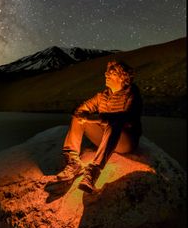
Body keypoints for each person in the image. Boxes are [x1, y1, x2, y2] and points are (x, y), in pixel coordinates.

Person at [56, 60, 143, 193]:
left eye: (112, 73)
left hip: (125, 141)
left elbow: (126, 119)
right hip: (106, 138)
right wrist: (82, 114)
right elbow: (81, 109)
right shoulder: (102, 96)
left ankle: (93, 173)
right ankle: (73, 162)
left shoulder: (132, 96)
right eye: (107, 72)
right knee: (78, 117)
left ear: (123, 77)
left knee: (114, 123)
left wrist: (95, 119)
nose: (106, 75)